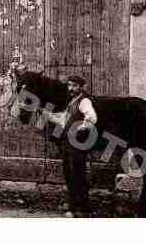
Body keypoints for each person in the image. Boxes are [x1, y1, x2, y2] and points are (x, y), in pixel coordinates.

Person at [59, 75, 98, 217]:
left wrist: (81, 129)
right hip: (68, 143)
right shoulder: (72, 101)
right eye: (69, 85)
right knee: (69, 174)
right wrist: (47, 114)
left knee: (78, 175)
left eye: (74, 86)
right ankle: (74, 205)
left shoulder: (84, 101)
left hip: (77, 144)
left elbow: (92, 118)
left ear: (82, 87)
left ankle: (82, 208)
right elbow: (64, 120)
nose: (71, 88)